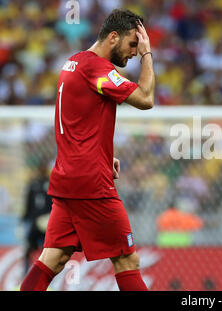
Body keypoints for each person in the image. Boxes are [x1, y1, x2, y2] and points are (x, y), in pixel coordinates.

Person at [20, 9, 155, 291]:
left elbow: (78, 122)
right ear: (113, 37)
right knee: (126, 261)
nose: (133, 51)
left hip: (67, 178)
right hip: (91, 184)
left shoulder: (73, 63)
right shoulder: (97, 69)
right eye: (133, 43)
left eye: (138, 47)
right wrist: (147, 55)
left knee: (53, 258)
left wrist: (105, 154)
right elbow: (145, 98)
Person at [22, 161, 53, 277]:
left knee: (49, 252)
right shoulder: (34, 184)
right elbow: (28, 204)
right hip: (36, 223)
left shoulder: (51, 184)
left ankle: (47, 278)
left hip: (47, 222)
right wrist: (24, 220)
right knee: (29, 250)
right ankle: (25, 276)